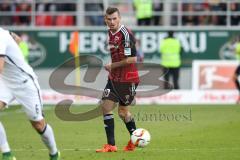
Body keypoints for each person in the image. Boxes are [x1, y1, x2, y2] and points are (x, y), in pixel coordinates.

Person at [0, 28, 60, 160]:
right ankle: (7, 154)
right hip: (4, 83)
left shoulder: (1, 36)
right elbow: (16, 38)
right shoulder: (5, 33)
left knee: (38, 124)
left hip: (24, 83)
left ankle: (54, 153)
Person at [96, 7, 139, 152]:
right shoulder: (110, 32)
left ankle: (136, 139)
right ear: (105, 20)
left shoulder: (126, 35)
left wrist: (112, 65)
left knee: (123, 112)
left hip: (128, 79)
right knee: (106, 107)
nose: (112, 22)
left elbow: (132, 58)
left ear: (119, 18)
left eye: (114, 18)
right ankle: (111, 145)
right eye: (109, 19)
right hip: (114, 78)